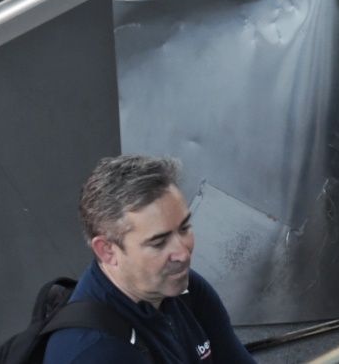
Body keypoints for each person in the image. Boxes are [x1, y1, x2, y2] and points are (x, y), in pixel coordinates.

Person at [43, 155, 255, 364]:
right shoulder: (94, 352)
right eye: (159, 242)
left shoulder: (187, 290)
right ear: (107, 250)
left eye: (184, 228)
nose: (182, 253)